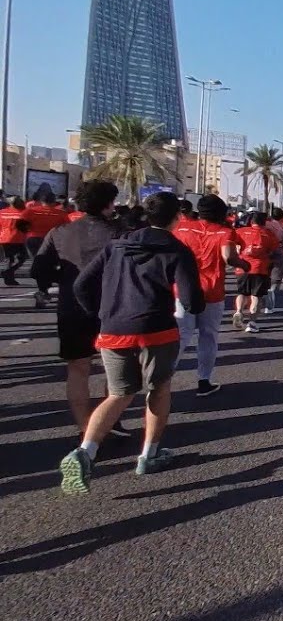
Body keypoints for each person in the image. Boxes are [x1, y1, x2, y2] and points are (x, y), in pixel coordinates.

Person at [59, 192, 205, 493]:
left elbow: (81, 284)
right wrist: (194, 306)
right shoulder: (177, 250)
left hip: (114, 328)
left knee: (118, 393)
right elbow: (191, 300)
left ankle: (85, 451)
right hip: (157, 330)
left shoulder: (116, 246)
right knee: (159, 388)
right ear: (177, 217)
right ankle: (149, 454)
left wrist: (101, 313)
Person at [29, 181, 127, 436]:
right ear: (108, 204)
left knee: (78, 368)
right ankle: (109, 420)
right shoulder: (120, 232)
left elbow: (39, 269)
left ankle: (85, 428)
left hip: (72, 307)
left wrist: (60, 278)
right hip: (112, 308)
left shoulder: (60, 232)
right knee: (114, 367)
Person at [172, 195, 249, 397]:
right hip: (212, 290)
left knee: (181, 335)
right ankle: (204, 380)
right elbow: (229, 257)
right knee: (208, 337)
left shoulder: (182, 228)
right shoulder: (225, 232)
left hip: (184, 289)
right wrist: (244, 264)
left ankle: (162, 379)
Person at [232, 212, 278, 333]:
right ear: (264, 222)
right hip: (260, 268)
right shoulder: (268, 234)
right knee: (256, 296)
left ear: (251, 221)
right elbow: (273, 250)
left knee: (241, 292)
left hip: (243, 267)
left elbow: (233, 243)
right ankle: (251, 322)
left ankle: (238, 311)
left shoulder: (241, 231)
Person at [25, 191, 71, 308]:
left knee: (38, 264)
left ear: (41, 201)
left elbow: (20, 225)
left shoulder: (30, 211)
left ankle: (43, 290)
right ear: (54, 201)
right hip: (52, 242)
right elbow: (69, 228)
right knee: (51, 265)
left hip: (34, 240)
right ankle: (46, 289)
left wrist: (30, 231)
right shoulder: (60, 213)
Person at [264, 208, 283, 313]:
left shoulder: (265, 225)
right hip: (280, 254)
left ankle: (258, 299)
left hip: (264, 253)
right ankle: (269, 305)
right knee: (275, 281)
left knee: (263, 276)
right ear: (282, 217)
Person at [0, 196, 31, 286]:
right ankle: (7, 272)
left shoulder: (2, 212)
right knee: (22, 257)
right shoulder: (23, 213)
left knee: (10, 259)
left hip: (3, 238)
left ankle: (10, 279)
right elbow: (26, 227)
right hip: (17, 239)